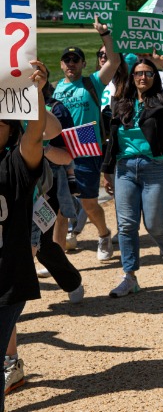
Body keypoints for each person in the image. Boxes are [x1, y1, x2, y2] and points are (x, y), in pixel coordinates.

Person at [101, 56, 163, 297]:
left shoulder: (162, 100)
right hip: (125, 168)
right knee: (126, 225)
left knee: (154, 223)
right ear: (132, 77)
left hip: (156, 166)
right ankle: (129, 276)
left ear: (154, 77)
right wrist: (107, 170)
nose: (143, 77)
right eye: (138, 73)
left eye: (148, 73)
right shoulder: (120, 103)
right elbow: (113, 140)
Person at [1, 63, 52, 406]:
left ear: (10, 132)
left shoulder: (16, 166)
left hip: (6, 281)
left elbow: (35, 134)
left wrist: (37, 92)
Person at [52, 16, 122, 261]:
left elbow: (114, 61)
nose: (71, 63)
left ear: (83, 63)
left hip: (85, 148)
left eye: (76, 60)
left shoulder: (92, 82)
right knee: (60, 207)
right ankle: (58, 258)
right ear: (61, 64)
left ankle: (103, 234)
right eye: (67, 60)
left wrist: (105, 34)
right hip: (61, 151)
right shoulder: (55, 88)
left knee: (89, 203)